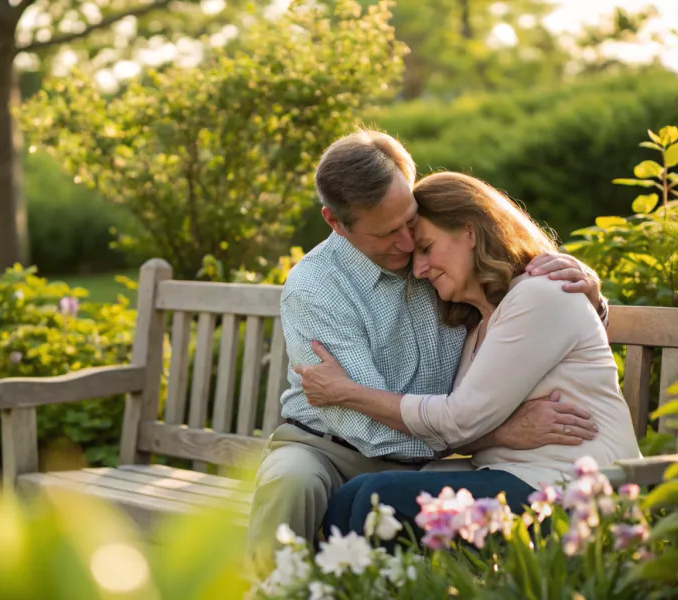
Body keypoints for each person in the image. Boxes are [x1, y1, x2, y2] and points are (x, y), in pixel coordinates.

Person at [246, 130, 609, 575]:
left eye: (410, 223)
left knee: (377, 504)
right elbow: (364, 424)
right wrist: (496, 433)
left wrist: (588, 293)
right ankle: (272, 588)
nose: (405, 245)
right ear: (336, 223)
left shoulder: (445, 257)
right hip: (333, 445)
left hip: (442, 452)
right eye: (387, 233)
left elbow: (528, 306)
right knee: (291, 482)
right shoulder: (317, 288)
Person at [295, 171, 641, 541]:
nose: (418, 269)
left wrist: (345, 392)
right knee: (353, 496)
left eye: (426, 248)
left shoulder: (539, 295)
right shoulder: (479, 323)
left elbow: (457, 420)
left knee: (379, 500)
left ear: (469, 231)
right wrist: (504, 433)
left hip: (578, 492)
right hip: (513, 480)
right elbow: (461, 429)